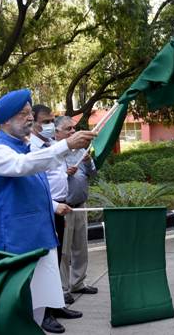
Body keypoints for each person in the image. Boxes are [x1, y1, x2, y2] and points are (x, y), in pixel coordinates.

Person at [0, 89, 95, 334]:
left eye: (30, 112)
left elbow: (35, 186)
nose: (30, 118)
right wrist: (65, 145)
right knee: (20, 301)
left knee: (41, 299)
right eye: (23, 114)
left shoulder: (27, 147)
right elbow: (23, 167)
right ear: (6, 120)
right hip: (16, 237)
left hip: (40, 233)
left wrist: (53, 205)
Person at [29, 105, 83, 325]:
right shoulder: (31, 148)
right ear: (33, 122)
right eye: (47, 121)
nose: (50, 125)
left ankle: (56, 304)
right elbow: (32, 185)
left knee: (58, 256)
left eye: (52, 121)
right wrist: (52, 205)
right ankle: (44, 314)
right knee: (46, 261)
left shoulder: (51, 145)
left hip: (60, 206)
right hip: (45, 208)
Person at [55, 116, 98, 303]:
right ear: (56, 132)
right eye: (68, 129)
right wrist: (64, 174)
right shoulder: (53, 152)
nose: (73, 132)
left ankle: (78, 283)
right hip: (64, 207)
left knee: (81, 247)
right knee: (63, 251)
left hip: (81, 205)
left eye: (73, 128)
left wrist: (88, 162)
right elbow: (48, 179)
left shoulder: (81, 149)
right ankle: (63, 289)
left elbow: (93, 174)